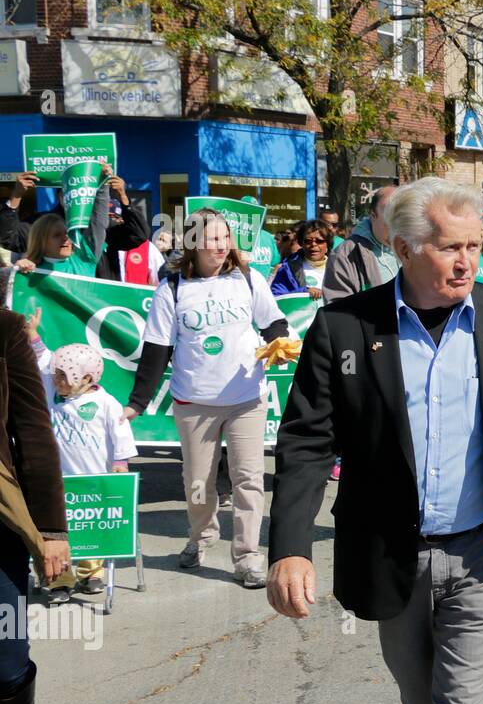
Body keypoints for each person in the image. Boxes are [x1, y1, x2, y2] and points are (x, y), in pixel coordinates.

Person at [266, 177, 483, 704]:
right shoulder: (345, 328)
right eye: (450, 247)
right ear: (403, 249)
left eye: (476, 246)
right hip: (391, 550)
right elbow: (305, 443)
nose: (468, 261)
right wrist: (291, 546)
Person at [125, 209, 292, 588]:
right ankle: (200, 538)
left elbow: (274, 322)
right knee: (198, 482)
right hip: (194, 401)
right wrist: (137, 402)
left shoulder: (247, 279)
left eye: (224, 238)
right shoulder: (172, 288)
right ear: (192, 243)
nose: (219, 246)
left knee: (248, 478)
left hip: (247, 397)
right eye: (211, 239)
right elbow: (156, 350)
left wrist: (280, 340)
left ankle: (248, 557)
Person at [0, 307, 70, 704]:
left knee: (6, 659)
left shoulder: (4, 329)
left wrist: (50, 527)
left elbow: (31, 429)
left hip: (0, 516)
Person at [27, 324, 136, 602]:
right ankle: (59, 578)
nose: (56, 379)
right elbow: (43, 360)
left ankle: (91, 572)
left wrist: (120, 462)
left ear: (86, 377)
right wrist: (35, 338)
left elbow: (120, 431)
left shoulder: (105, 403)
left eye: (63, 376)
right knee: (57, 531)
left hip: (93, 478)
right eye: (56, 374)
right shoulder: (54, 393)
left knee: (93, 525)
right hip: (57, 480)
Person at [13, 165, 113, 277]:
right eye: (56, 235)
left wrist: (102, 183)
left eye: (67, 233)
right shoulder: (30, 270)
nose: (66, 238)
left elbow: (98, 222)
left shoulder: (84, 258)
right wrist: (17, 271)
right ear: (41, 241)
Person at [322, 185, 399, 303]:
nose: (397, 225)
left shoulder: (419, 248)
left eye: (403, 217)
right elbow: (338, 311)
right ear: (373, 215)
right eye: (389, 218)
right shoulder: (345, 254)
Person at [270, 219, 331, 298]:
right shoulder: (288, 268)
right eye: (308, 241)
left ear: (327, 245)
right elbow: (276, 295)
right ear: (301, 243)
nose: (313, 244)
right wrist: (303, 292)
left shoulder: (338, 268)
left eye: (319, 241)